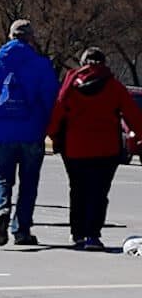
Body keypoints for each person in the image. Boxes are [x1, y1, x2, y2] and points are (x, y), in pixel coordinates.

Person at [46, 47, 142, 250]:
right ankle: (93, 235)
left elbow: (58, 109)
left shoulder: (71, 83)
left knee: (78, 189)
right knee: (99, 192)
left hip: (75, 146)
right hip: (106, 147)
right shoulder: (114, 86)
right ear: (104, 63)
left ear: (83, 63)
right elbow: (132, 114)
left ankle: (77, 233)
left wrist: (53, 134)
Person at [0, 19, 59, 247]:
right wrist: (52, 130)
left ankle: (1, 209)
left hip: (0, 132)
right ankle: (21, 229)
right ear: (31, 38)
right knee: (29, 183)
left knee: (1, 177)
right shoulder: (41, 65)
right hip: (32, 131)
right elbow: (51, 100)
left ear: (10, 36)